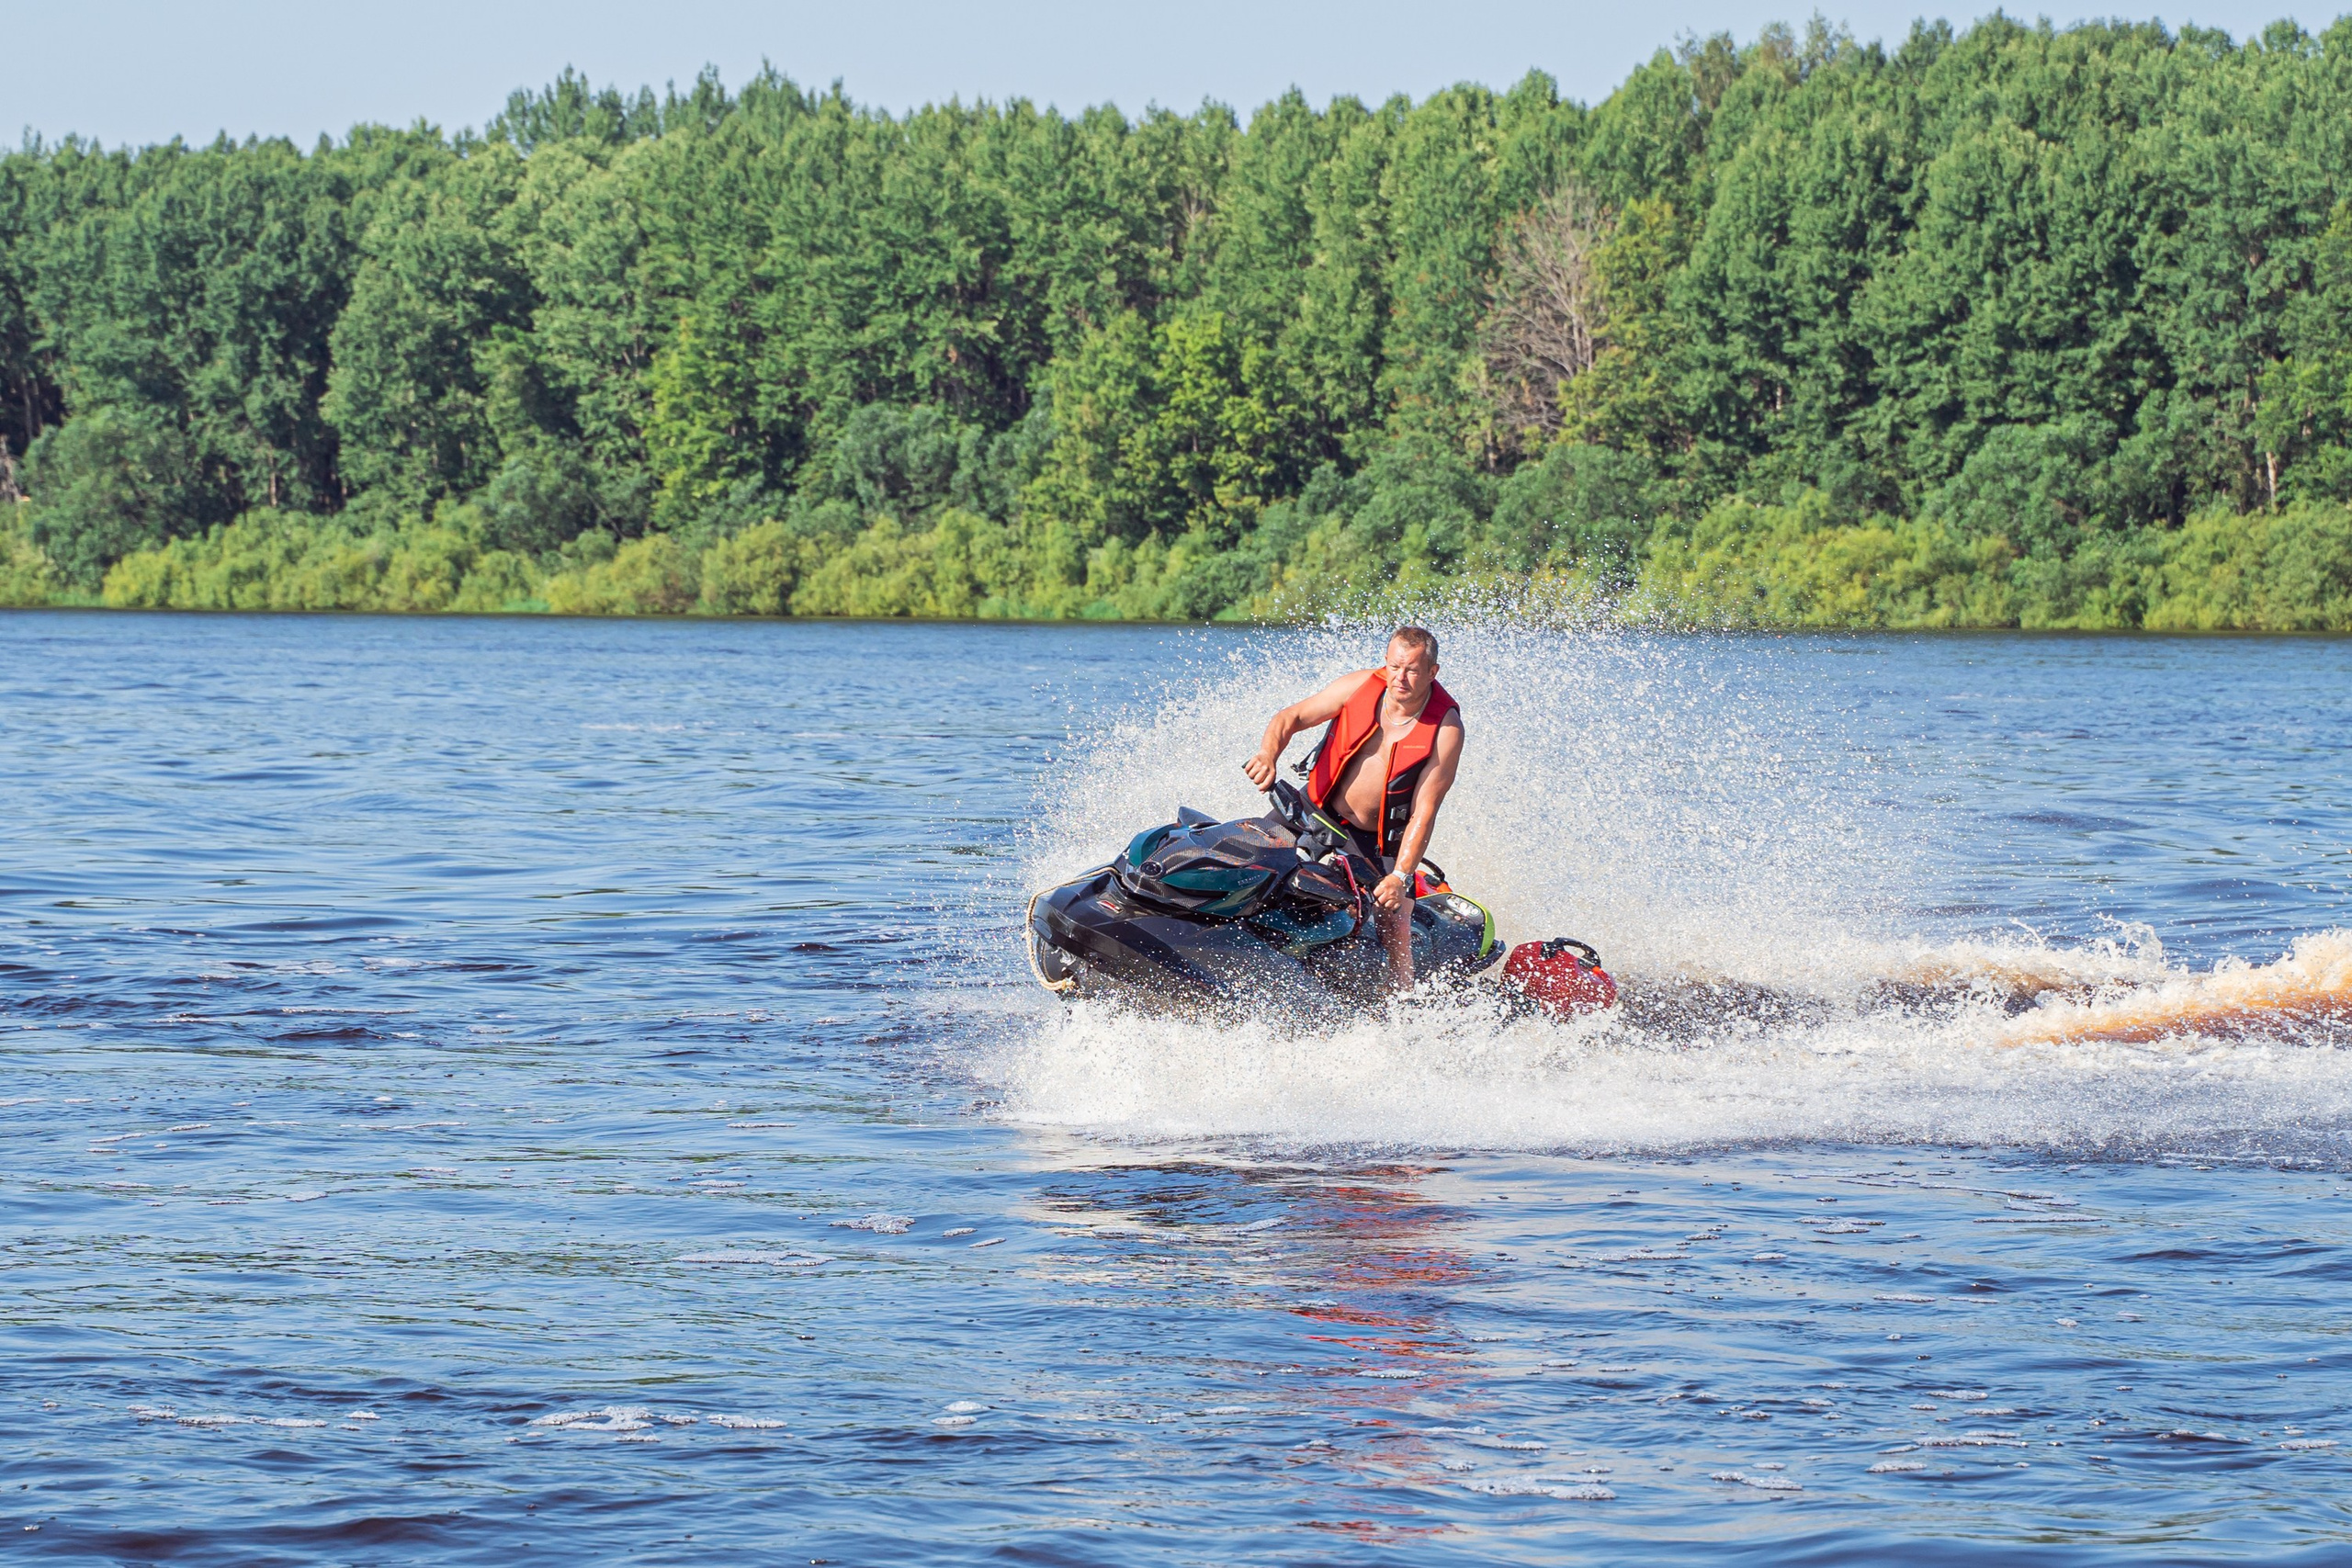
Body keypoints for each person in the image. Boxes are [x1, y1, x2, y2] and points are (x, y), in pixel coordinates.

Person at [1242, 626, 1463, 992]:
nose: (1400, 678)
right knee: (1249, 857)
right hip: (1310, 808)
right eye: (1394, 667)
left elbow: (1424, 812)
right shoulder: (1359, 686)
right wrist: (1268, 754)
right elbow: (1290, 717)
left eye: (1411, 670)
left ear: (1432, 672)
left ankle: (1401, 1001)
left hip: (1370, 839)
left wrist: (1401, 877)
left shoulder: (1446, 729)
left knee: (1393, 917)